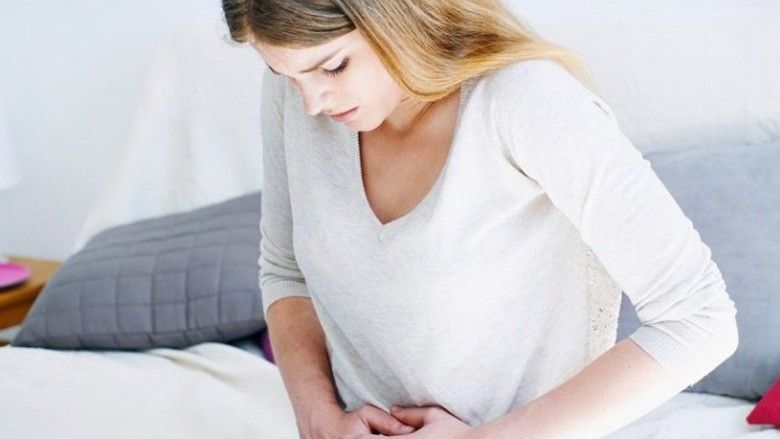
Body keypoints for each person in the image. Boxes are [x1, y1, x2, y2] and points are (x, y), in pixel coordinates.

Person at [221, 1, 740, 438]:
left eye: (334, 67)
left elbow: (700, 319)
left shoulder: (524, 99)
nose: (312, 102)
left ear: (396, 18)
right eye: (285, 74)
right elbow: (286, 271)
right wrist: (319, 417)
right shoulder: (297, 96)